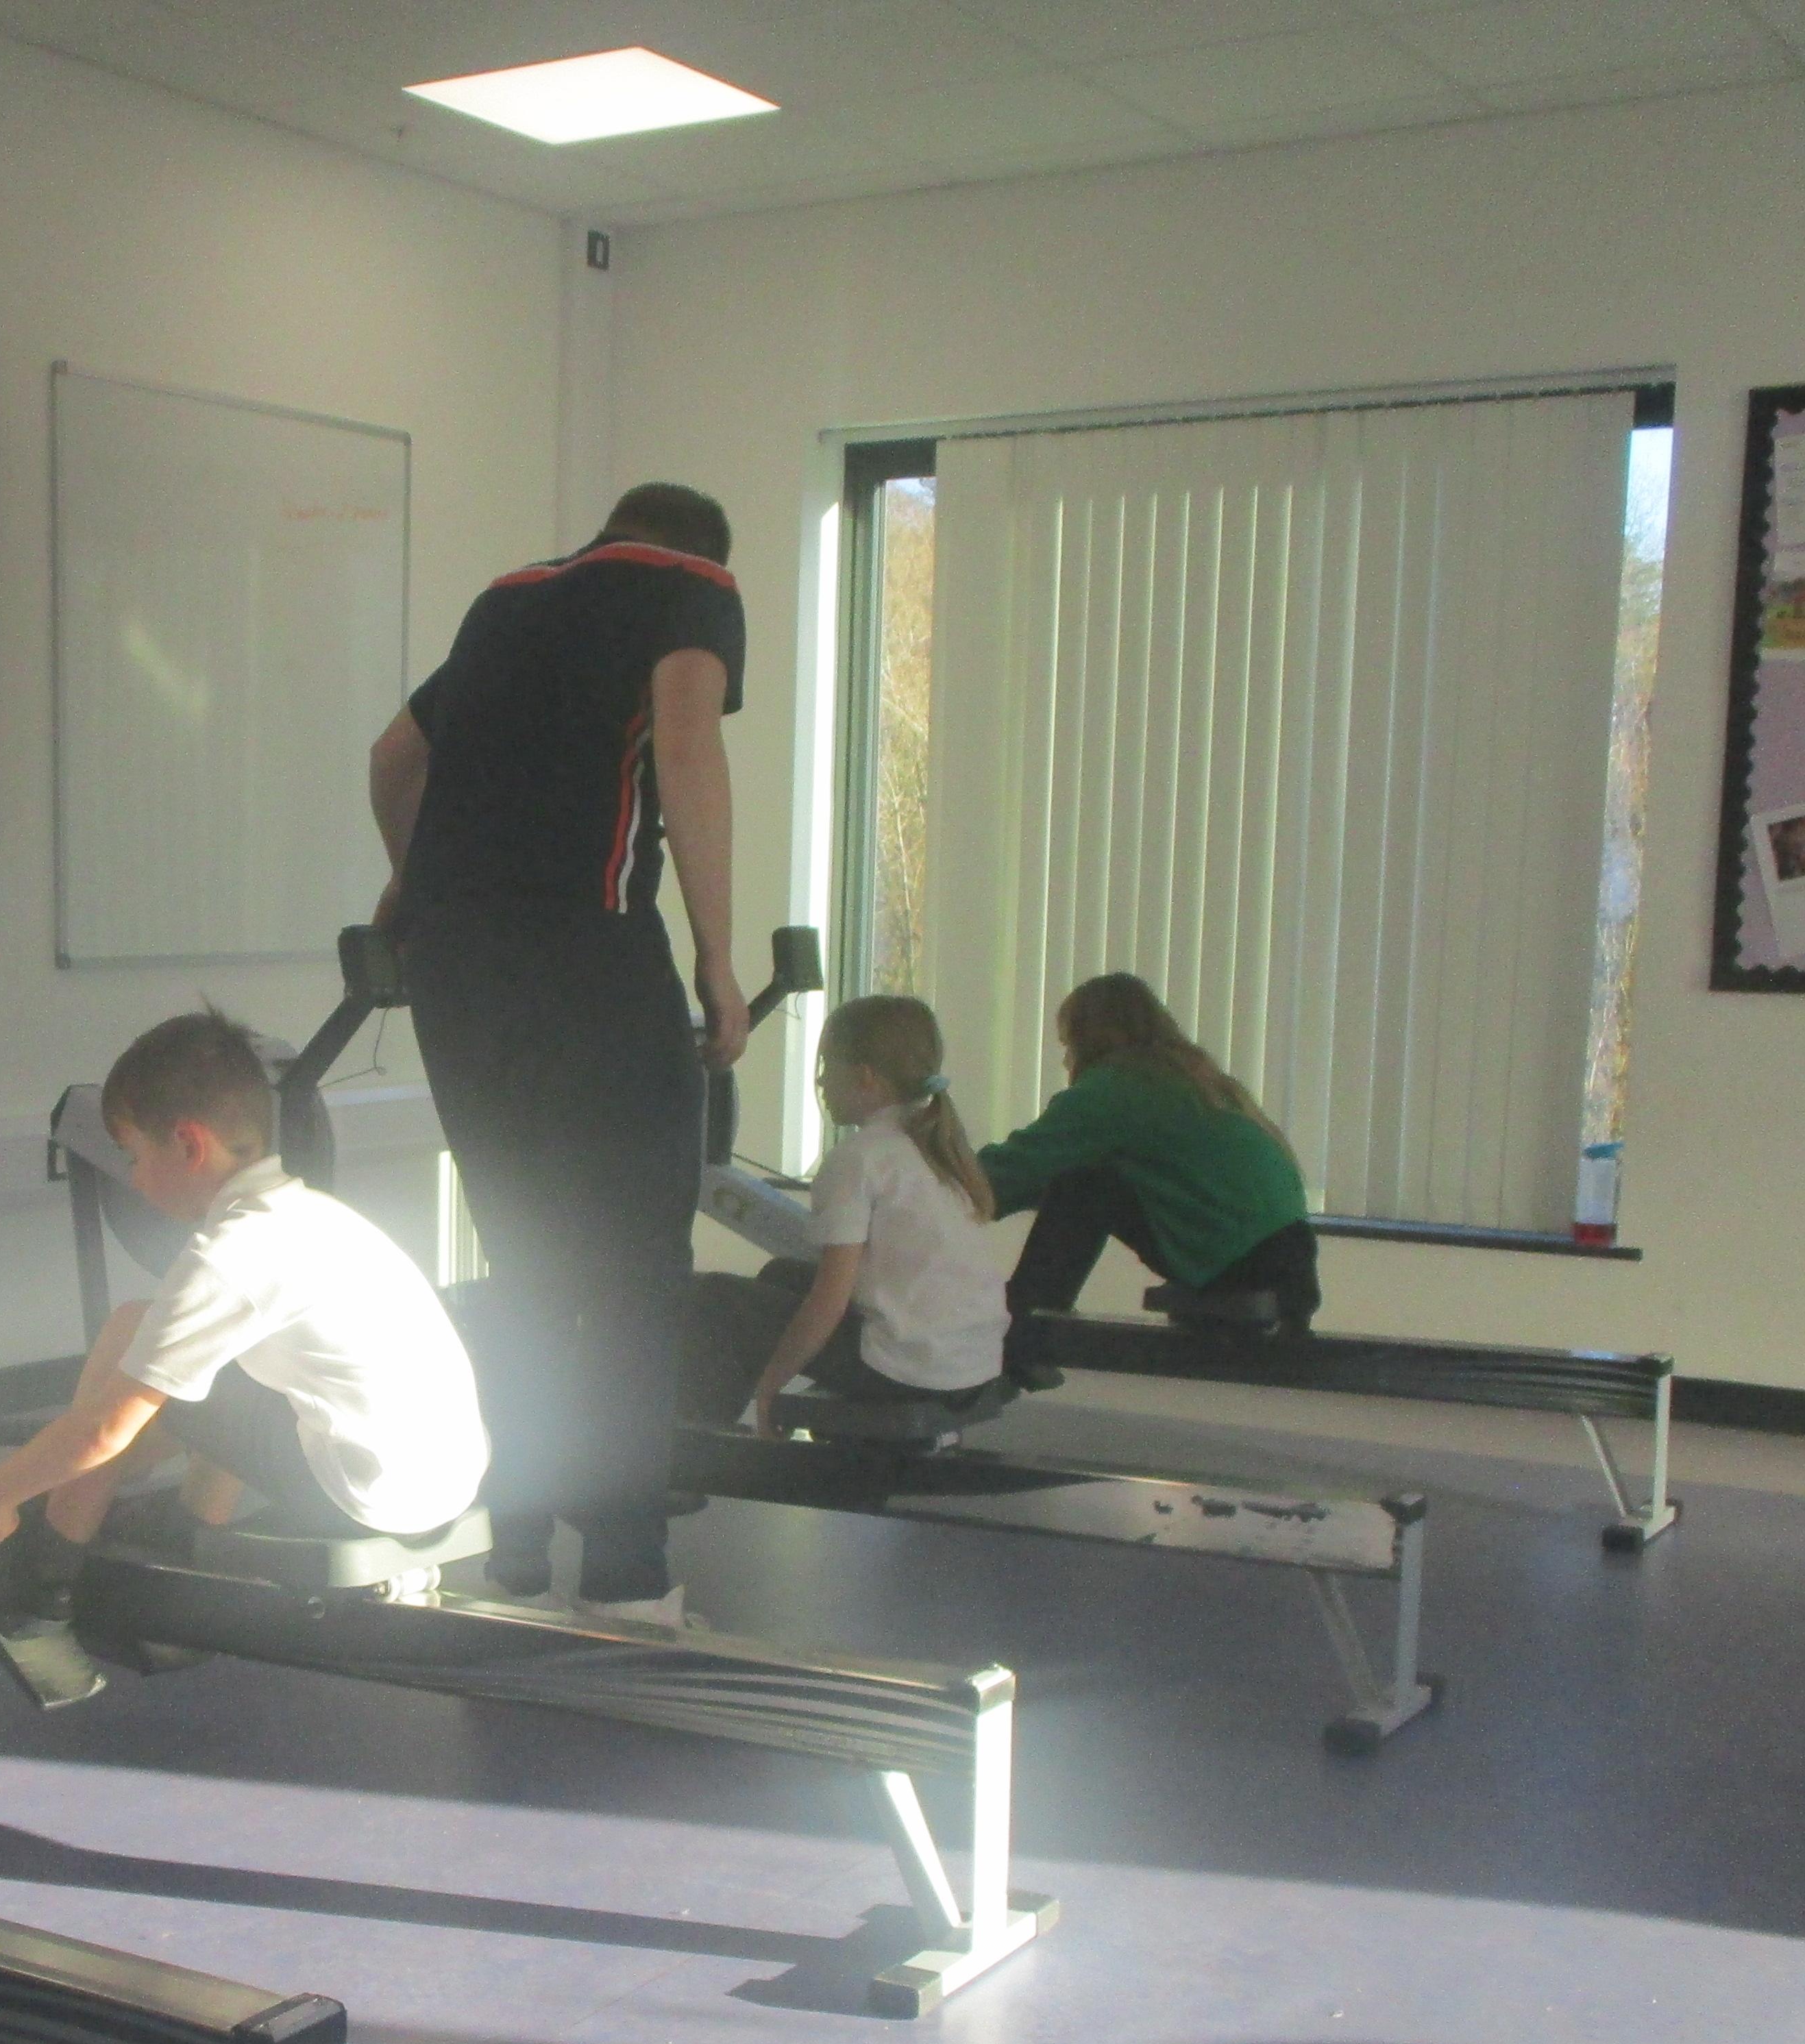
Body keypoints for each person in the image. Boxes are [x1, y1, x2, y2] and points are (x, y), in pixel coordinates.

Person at [368, 480, 752, 1623]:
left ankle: (518, 1551)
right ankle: (628, 1577)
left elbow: (392, 757)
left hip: (455, 965)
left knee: (528, 1264)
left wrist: (411, 878)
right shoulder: (691, 587)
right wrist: (717, 958)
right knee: (636, 1272)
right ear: (702, 554)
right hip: (586, 950)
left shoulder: (506, 601)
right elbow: (686, 746)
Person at [0, 1009, 487, 1625]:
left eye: (132, 1155)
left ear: (188, 1145)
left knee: (131, 1331)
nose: (133, 1179)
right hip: (443, 1477)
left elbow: (103, 1431)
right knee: (203, 1358)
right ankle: (188, 1530)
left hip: (368, 1493)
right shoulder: (315, 1214)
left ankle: (47, 1577)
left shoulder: (228, 1253)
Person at [680, 994, 1009, 1433]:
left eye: (827, 1067)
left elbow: (830, 1300)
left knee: (714, 1299)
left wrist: (770, 1387)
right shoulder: (930, 1144)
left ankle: (702, 1445)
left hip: (907, 1371)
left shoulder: (858, 1158)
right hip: (971, 1364)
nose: (820, 1080)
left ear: (864, 1078)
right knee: (782, 1275)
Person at [980, 974, 1318, 1384]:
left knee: (1084, 1185)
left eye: (1068, 1046)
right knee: (1082, 1177)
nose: (1066, 1062)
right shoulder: (1197, 1080)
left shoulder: (1118, 1087)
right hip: (1292, 1264)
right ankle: (1026, 1330)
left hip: (1240, 1266)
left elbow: (1020, 1166)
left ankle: (1021, 1337)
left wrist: (939, 1188)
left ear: (1091, 1040)